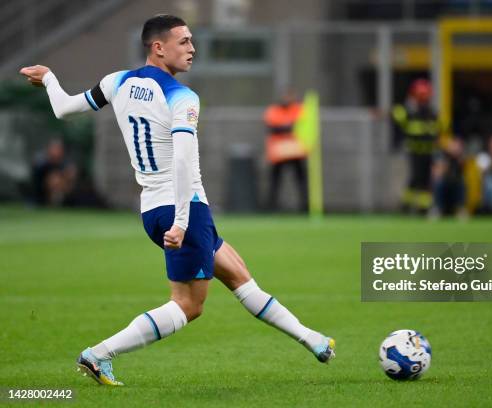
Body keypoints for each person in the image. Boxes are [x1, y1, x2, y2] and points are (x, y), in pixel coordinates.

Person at [20, 14, 335, 387]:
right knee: (189, 305)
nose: (192, 49)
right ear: (158, 47)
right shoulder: (183, 97)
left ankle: (314, 341)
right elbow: (184, 161)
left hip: (154, 208)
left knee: (239, 275)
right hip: (181, 209)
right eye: (184, 42)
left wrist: (50, 79)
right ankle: (98, 354)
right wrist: (183, 222)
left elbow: (64, 109)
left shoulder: (116, 81)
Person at [391, 79, 440, 213]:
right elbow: (397, 116)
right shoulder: (408, 111)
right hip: (414, 151)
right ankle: (406, 206)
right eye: (420, 96)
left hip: (428, 152)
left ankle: (423, 208)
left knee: (426, 181)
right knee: (415, 179)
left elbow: (437, 131)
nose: (423, 99)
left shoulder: (431, 113)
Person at [263, 89, 308, 212]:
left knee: (301, 180)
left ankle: (305, 206)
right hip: (279, 152)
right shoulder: (274, 110)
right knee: (275, 181)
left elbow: (303, 125)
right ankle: (271, 207)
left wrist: (287, 127)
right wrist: (289, 127)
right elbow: (273, 127)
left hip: (295, 151)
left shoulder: (299, 108)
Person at [31, 138, 77, 206]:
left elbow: (72, 173)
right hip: (41, 190)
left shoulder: (65, 161)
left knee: (57, 180)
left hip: (63, 189)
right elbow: (36, 173)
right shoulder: (42, 160)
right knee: (54, 179)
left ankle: (59, 201)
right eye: (54, 148)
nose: (56, 151)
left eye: (58, 149)